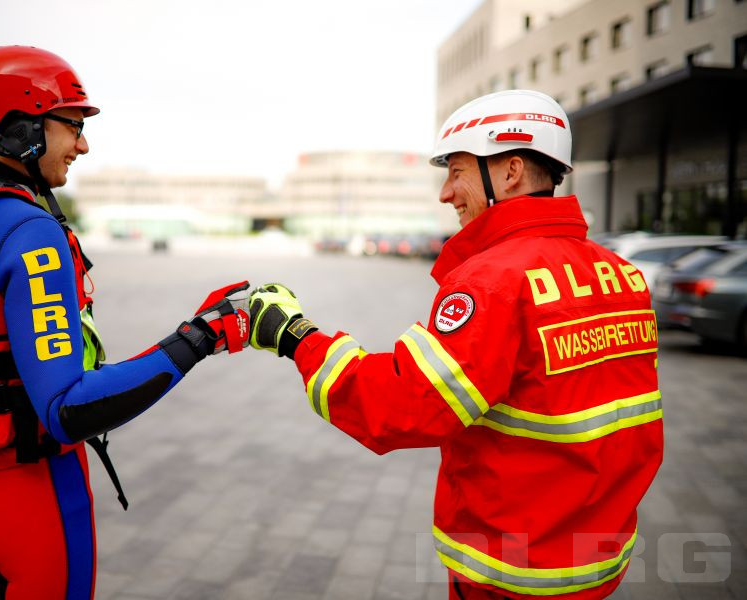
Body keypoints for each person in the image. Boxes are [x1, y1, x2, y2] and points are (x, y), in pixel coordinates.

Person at [0, 46, 249, 599]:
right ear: (22, 127)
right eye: (73, 125)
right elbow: (69, 409)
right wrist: (202, 335)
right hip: (31, 503)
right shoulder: (28, 230)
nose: (82, 145)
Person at [248, 90, 663, 599]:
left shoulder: (494, 280)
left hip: (510, 572)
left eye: (458, 171)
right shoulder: (620, 274)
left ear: (510, 172)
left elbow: (405, 404)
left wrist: (295, 336)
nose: (446, 193)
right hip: (594, 562)